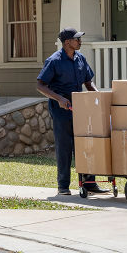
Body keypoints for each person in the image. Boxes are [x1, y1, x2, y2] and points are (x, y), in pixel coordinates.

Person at [36, 28, 101, 196]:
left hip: (80, 107)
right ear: (67, 43)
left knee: (85, 144)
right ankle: (63, 186)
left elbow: (88, 82)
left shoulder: (81, 59)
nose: (80, 42)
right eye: (77, 39)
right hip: (61, 109)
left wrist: (99, 96)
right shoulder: (54, 61)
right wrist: (59, 99)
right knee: (65, 146)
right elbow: (41, 85)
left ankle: (89, 183)